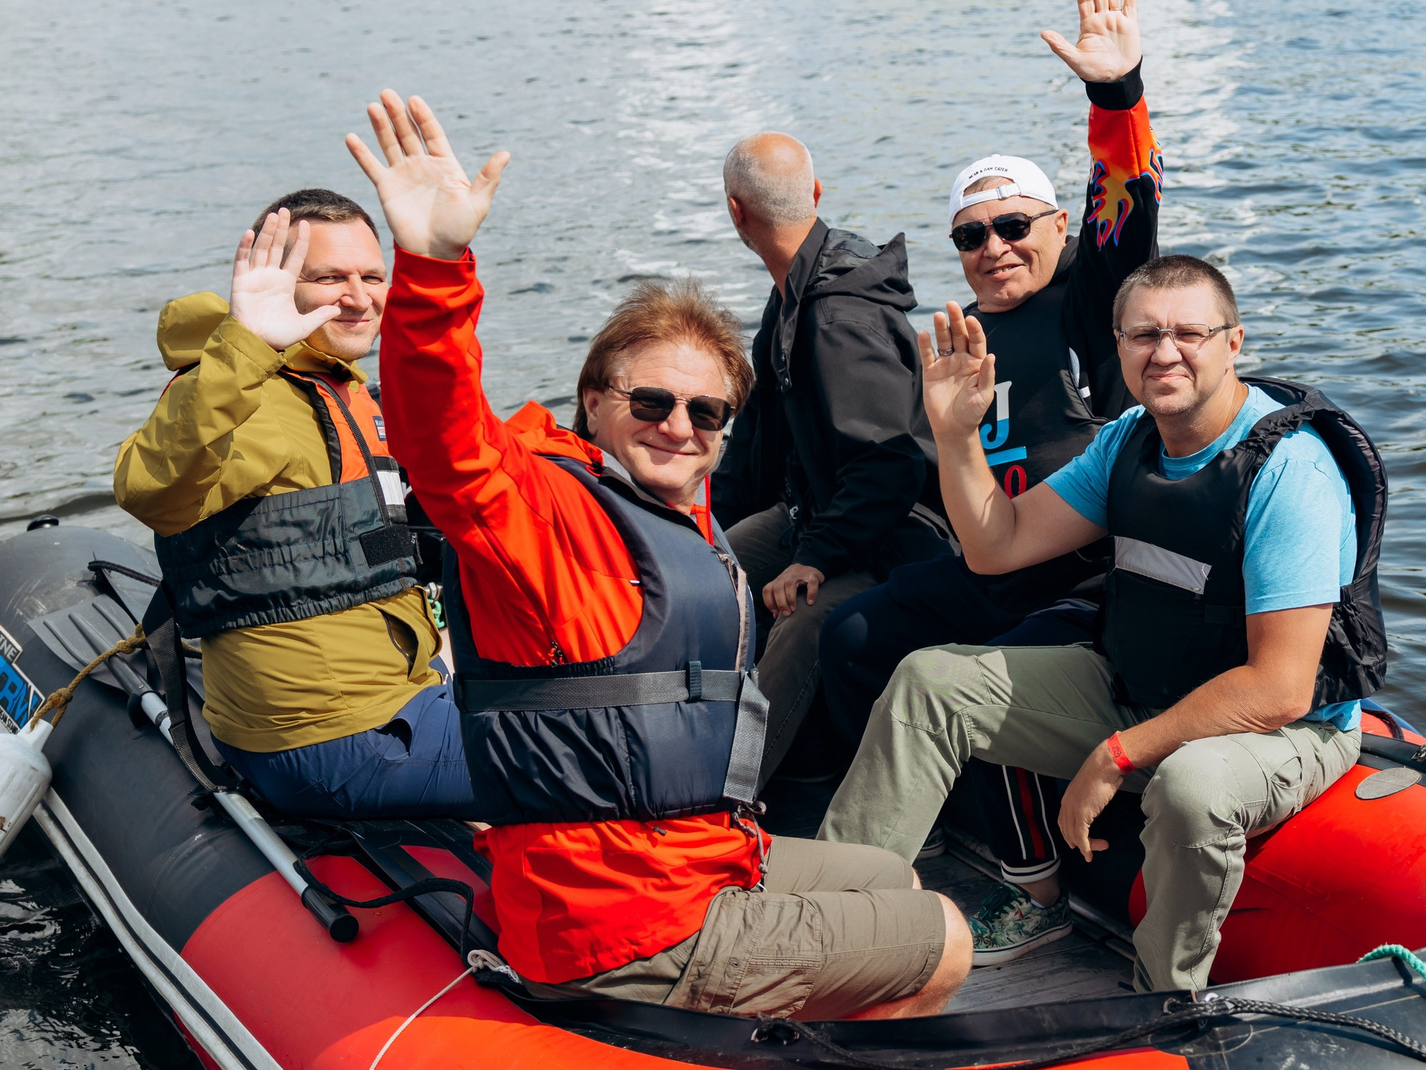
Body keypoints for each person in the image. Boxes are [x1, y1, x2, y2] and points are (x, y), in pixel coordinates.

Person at [349, 88, 969, 1018]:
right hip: (621, 918)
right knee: (947, 939)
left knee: (891, 876)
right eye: (651, 403)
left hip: (696, 857)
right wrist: (433, 267)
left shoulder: (678, 511)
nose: (679, 426)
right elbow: (444, 442)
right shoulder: (544, 514)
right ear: (594, 403)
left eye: (706, 412)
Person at [820, 255, 1389, 993]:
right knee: (930, 680)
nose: (1165, 352)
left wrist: (1119, 754)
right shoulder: (1128, 440)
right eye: (1143, 334)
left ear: (1233, 342)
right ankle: (832, 932)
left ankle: (1165, 999)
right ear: (1118, 347)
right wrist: (956, 434)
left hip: (1284, 731)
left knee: (1190, 787)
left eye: (1189, 333)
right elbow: (998, 546)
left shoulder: (1289, 471)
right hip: (1142, 686)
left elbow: (1280, 689)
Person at [817, 0, 1163, 966]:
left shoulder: (1095, 303)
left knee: (984, 666)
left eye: (1014, 226)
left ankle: (1037, 890)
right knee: (852, 634)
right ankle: (920, 819)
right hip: (990, 555)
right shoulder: (964, 333)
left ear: (1056, 228)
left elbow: (1126, 214)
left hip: (1082, 576)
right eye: (971, 235)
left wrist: (1117, 93)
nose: (995, 247)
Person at [113, 190, 473, 818]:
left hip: (396, 690)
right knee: (592, 758)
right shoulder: (245, 397)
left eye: (372, 277)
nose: (358, 297)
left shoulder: (338, 387)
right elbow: (150, 489)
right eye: (330, 278)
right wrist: (247, 344)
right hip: (335, 734)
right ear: (278, 284)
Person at [713, 131, 943, 776]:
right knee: (704, 572)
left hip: (894, 533)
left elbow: (889, 465)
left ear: (735, 211)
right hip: (815, 512)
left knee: (800, 624)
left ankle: (730, 791)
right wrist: (694, 525)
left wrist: (814, 557)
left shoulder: (838, 317)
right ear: (814, 193)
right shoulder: (790, 293)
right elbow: (757, 439)